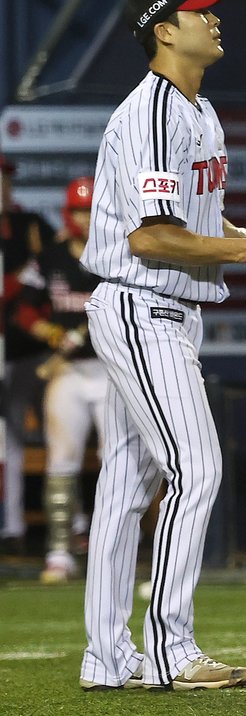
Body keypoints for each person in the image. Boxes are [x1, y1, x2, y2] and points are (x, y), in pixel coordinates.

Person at [78, 0, 246, 692]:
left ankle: (108, 659)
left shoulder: (198, 111)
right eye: (199, 11)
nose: (215, 19)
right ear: (163, 29)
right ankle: (172, 650)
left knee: (124, 488)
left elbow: (191, 222)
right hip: (143, 306)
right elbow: (151, 239)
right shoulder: (151, 115)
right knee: (196, 468)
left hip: (167, 311)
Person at [12, 178, 105, 583]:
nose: (85, 218)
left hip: (110, 370)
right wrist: (51, 333)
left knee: (118, 461)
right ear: (70, 214)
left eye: (90, 210)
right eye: (79, 211)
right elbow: (24, 312)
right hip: (67, 369)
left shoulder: (116, 256)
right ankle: (59, 551)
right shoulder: (49, 258)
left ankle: (113, 549)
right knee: (61, 460)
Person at [2, 152, 58, 552]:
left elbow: (63, 275)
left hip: (39, 352)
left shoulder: (31, 224)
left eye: (5, 178)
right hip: (5, 353)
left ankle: (69, 524)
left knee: (60, 435)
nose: (2, 185)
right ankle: (13, 527)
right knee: (10, 442)